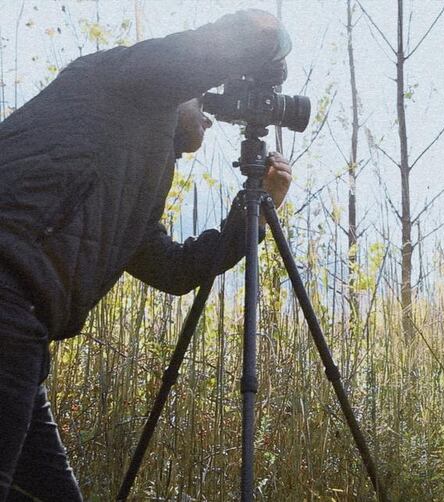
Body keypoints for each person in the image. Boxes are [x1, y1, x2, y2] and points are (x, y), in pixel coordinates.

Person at [0, 10, 294, 501]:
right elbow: (190, 56)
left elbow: (172, 270)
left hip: (22, 335)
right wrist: (267, 36)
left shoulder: (138, 174)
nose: (211, 113)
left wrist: (254, 215)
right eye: (203, 97)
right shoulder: (115, 78)